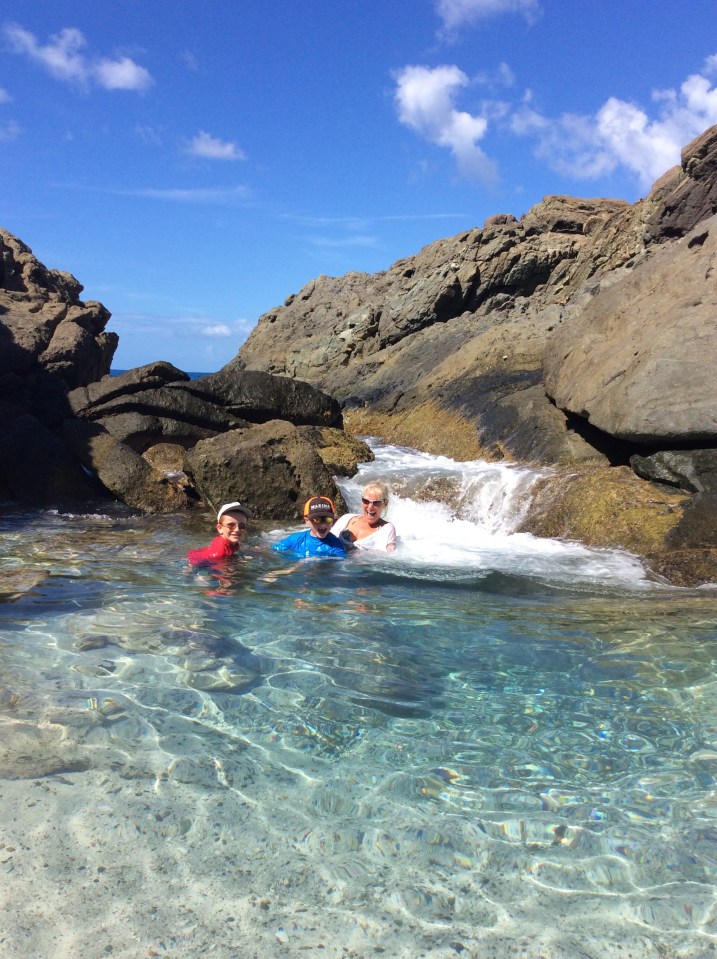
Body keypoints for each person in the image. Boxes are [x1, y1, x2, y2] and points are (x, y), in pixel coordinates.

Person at [271, 496, 347, 559]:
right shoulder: (295, 540)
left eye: (328, 519)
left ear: (333, 520)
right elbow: (273, 551)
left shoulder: (336, 545)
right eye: (317, 519)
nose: (323, 524)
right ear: (307, 520)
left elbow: (341, 564)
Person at [332, 481, 397, 552]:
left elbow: (392, 554)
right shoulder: (346, 519)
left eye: (376, 503)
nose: (370, 507)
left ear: (385, 504)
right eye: (366, 501)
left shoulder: (387, 529)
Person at [186, 501, 252, 565]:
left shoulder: (229, 542)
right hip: (196, 562)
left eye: (242, 526)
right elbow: (219, 571)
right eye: (231, 525)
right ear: (220, 528)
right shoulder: (220, 553)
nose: (237, 530)